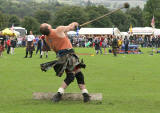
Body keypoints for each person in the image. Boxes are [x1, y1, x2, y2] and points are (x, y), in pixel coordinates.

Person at [39, 22, 90, 103]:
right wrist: (75, 23)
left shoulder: (47, 38)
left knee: (78, 74)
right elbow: (70, 27)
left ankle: (85, 94)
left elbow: (57, 45)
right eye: (47, 24)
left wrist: (66, 31)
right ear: (48, 28)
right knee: (71, 76)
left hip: (61, 57)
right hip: (69, 55)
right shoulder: (58, 29)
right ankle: (59, 94)